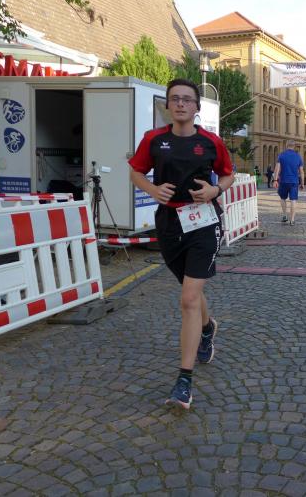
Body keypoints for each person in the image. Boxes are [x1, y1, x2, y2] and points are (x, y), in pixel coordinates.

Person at [128, 78, 234, 410]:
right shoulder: (154, 139)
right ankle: (207, 327)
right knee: (191, 291)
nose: (180, 104)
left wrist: (215, 190)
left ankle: (184, 382)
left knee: (188, 298)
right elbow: (135, 171)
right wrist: (152, 189)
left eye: (187, 99)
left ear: (197, 107)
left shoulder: (211, 142)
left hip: (204, 222)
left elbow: (228, 174)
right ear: (167, 105)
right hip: (169, 223)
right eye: (175, 99)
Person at [273, 139, 304, 225]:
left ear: (286, 145)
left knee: (283, 198)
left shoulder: (281, 155)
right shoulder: (298, 157)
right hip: (294, 182)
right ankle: (292, 220)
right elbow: (301, 171)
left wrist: (275, 180)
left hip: (283, 181)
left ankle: (284, 216)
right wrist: (302, 183)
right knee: (293, 200)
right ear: (294, 146)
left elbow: (277, 169)